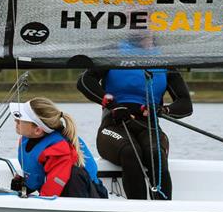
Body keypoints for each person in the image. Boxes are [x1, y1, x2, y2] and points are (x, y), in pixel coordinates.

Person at [77, 66, 192, 200]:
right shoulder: (113, 56)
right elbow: (84, 82)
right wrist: (112, 104)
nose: (146, 43)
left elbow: (186, 105)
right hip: (114, 125)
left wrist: (163, 110)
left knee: (155, 153)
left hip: (148, 127)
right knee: (130, 152)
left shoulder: (164, 63)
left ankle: (163, 211)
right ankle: (138, 210)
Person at [11, 97, 108, 198]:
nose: (16, 120)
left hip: (90, 195)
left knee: (74, 173)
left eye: (20, 120)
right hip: (66, 189)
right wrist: (25, 187)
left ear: (37, 130)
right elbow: (36, 177)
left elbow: (53, 187)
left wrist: (42, 203)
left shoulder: (58, 149)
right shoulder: (30, 138)